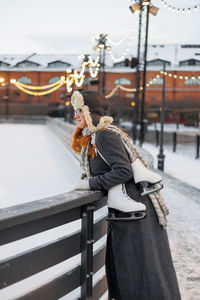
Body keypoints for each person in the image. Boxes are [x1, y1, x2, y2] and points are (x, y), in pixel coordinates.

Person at [71, 90, 181, 300]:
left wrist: (90, 184)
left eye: (79, 110)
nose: (75, 115)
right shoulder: (101, 135)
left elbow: (123, 171)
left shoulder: (103, 135)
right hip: (131, 214)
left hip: (133, 216)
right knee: (143, 272)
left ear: (91, 113)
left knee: (138, 274)